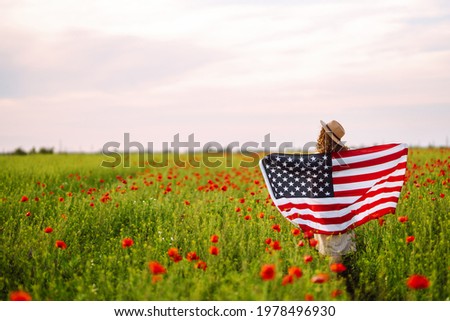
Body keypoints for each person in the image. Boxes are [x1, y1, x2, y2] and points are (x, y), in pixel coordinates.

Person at [313, 120, 356, 264]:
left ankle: (333, 280)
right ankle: (337, 278)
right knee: (337, 247)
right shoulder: (347, 159)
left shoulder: (316, 159)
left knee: (329, 249)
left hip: (324, 210)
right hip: (342, 209)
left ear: (323, 135)